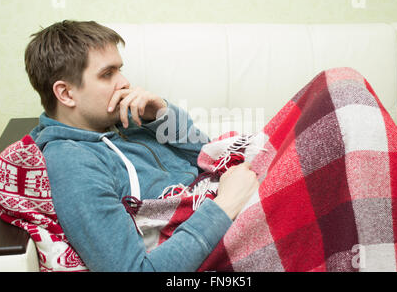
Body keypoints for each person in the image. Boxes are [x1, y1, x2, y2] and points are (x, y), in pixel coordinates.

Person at [25, 20, 259, 271]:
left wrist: (160, 116)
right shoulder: (72, 163)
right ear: (66, 94)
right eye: (107, 74)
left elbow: (206, 155)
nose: (125, 82)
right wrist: (226, 205)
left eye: (120, 70)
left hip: (238, 190)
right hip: (230, 224)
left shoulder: (124, 121)